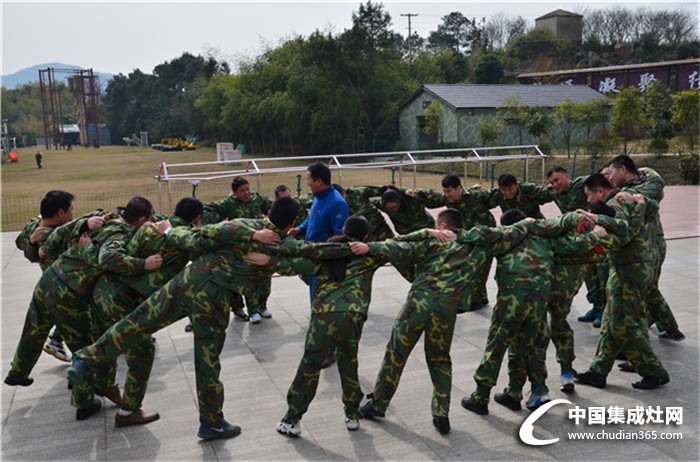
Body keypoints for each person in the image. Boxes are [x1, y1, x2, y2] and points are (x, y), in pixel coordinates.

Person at [68, 198, 353, 439]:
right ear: (291, 225)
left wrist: (168, 231)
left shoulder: (244, 225)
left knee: (136, 324)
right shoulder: (280, 246)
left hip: (188, 281)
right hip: (214, 301)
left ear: (267, 215)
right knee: (206, 362)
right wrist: (343, 249)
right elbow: (308, 256)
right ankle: (211, 421)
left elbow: (195, 237)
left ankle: (85, 360)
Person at [352, 209, 530, 435]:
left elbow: (400, 245)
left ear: (443, 226)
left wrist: (375, 246)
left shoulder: (433, 242)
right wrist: (527, 222)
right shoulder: (479, 247)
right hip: (446, 310)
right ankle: (441, 412)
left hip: (417, 305)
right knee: (439, 360)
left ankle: (378, 404)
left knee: (396, 353)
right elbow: (507, 233)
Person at [461, 209, 608, 415]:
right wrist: (596, 235)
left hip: (513, 295)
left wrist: (453, 233)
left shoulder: (506, 235)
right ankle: (531, 392)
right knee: (531, 346)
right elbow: (574, 245)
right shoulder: (543, 238)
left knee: (498, 344)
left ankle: (481, 396)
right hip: (540, 297)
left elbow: (478, 236)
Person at [275, 215, 409, 437]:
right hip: (352, 314)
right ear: (366, 237)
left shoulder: (324, 253)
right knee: (348, 361)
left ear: (344, 230)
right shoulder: (369, 256)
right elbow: (397, 247)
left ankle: (292, 419)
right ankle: (352, 414)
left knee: (310, 365)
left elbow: (295, 263)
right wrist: (371, 247)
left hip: (324, 315)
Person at [88, 197, 204, 428]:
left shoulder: (149, 228)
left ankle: (91, 393)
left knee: (103, 341)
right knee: (142, 353)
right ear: (197, 219)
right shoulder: (185, 240)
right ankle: (129, 411)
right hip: (126, 300)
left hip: (103, 292)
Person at [574, 174, 670, 390]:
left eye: (589, 195)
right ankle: (598, 371)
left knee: (622, 325)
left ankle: (654, 371)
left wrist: (597, 226)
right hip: (630, 266)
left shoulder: (616, 204)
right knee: (611, 321)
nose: (588, 201)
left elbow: (624, 233)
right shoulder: (625, 199)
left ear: (600, 191)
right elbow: (649, 210)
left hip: (629, 269)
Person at [604, 155, 684, 342]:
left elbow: (657, 182)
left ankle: (639, 350)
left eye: (611, 172)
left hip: (651, 244)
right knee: (649, 289)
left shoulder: (644, 188)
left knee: (640, 293)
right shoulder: (622, 190)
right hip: (642, 247)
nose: (609, 177)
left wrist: (646, 170)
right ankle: (670, 328)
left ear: (623, 169)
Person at [289, 163, 350, 368]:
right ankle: (322, 344)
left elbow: (340, 236)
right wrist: (299, 229)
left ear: (319, 181)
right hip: (313, 260)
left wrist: (320, 250)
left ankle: (330, 350)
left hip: (324, 264)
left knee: (324, 308)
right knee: (316, 306)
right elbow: (311, 219)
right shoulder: (319, 198)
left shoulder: (336, 203)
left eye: (308, 178)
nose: (306, 182)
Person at [418, 173, 497, 311]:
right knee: (471, 268)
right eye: (445, 191)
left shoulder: (477, 195)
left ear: (459, 188)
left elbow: (497, 196)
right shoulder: (447, 199)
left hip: (485, 237)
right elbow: (429, 196)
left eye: (449, 191)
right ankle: (479, 298)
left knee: (481, 268)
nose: (447, 195)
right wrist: (408, 193)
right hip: (466, 237)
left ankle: (475, 301)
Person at [12, 190, 76, 363]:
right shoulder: (62, 235)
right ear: (61, 213)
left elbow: (20, 243)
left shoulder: (34, 226)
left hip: (46, 288)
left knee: (39, 327)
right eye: (71, 209)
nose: (73, 213)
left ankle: (20, 366)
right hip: (66, 288)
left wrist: (31, 240)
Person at [202, 177, 273, 324]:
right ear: (234, 193)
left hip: (261, 244)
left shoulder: (257, 200)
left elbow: (275, 207)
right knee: (247, 280)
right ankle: (250, 311)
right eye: (242, 191)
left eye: (248, 189)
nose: (246, 193)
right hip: (240, 248)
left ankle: (262, 305)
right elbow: (210, 209)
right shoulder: (229, 204)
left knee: (265, 278)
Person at [546, 166, 607, 327]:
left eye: (557, 180)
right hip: (578, 239)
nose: (554, 184)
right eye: (551, 182)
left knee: (601, 273)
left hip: (596, 233)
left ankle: (604, 310)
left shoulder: (581, 184)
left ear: (567, 175)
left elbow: (602, 179)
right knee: (588, 275)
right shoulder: (554, 192)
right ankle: (595, 307)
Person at [488, 173, 553, 219]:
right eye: (504, 190)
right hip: (514, 228)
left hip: (535, 225)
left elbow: (548, 193)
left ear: (517, 185)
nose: (507, 192)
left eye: (510, 188)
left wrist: (552, 187)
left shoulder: (528, 189)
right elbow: (485, 201)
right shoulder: (498, 194)